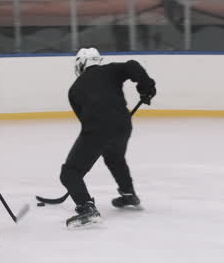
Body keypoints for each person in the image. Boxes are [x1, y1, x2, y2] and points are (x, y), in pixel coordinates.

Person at [58, 47, 156, 229]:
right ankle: (128, 193)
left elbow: (84, 121)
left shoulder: (75, 89)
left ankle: (87, 208)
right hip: (123, 125)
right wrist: (146, 88)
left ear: (81, 65)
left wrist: (91, 145)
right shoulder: (111, 70)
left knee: (70, 173)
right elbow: (133, 66)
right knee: (115, 157)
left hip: (97, 130)